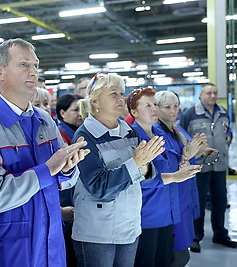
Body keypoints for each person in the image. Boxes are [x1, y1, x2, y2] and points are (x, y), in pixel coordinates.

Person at [0, 38, 90, 267]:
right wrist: (48, 169)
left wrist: (68, 169)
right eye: (24, 65)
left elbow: (64, 181)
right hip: (11, 248)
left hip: (51, 242)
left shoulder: (44, 120)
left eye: (35, 65)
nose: (34, 72)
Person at [72, 73, 165, 267]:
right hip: (97, 231)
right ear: (95, 101)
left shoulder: (129, 130)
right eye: (113, 94)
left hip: (129, 225)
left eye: (121, 93)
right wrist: (136, 163)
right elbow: (97, 186)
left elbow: (146, 176)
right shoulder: (85, 136)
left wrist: (145, 165)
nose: (120, 98)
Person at [126, 88, 202, 267]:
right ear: (134, 112)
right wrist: (175, 176)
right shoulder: (132, 137)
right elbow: (137, 179)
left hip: (168, 212)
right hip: (147, 215)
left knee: (166, 261)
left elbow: (170, 165)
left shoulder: (161, 135)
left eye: (154, 105)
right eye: (148, 105)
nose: (154, 109)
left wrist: (184, 160)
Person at [155, 90, 214, 266]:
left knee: (182, 250)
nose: (174, 111)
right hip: (171, 199)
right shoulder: (157, 133)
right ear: (156, 109)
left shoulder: (177, 129)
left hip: (185, 197)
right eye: (168, 107)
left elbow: (188, 153)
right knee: (176, 253)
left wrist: (201, 150)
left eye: (176, 106)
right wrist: (189, 154)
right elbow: (168, 167)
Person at [180, 83, 237, 252]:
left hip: (219, 165)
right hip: (199, 166)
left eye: (215, 93)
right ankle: (196, 236)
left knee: (220, 201)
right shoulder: (190, 114)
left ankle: (220, 234)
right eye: (209, 93)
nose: (212, 96)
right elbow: (182, 135)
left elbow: (229, 131)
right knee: (197, 202)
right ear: (201, 95)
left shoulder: (222, 112)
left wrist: (228, 138)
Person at [55, 93, 83, 267]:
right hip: (66, 201)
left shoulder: (78, 134)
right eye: (75, 109)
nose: (80, 113)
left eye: (82, 108)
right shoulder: (60, 136)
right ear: (62, 113)